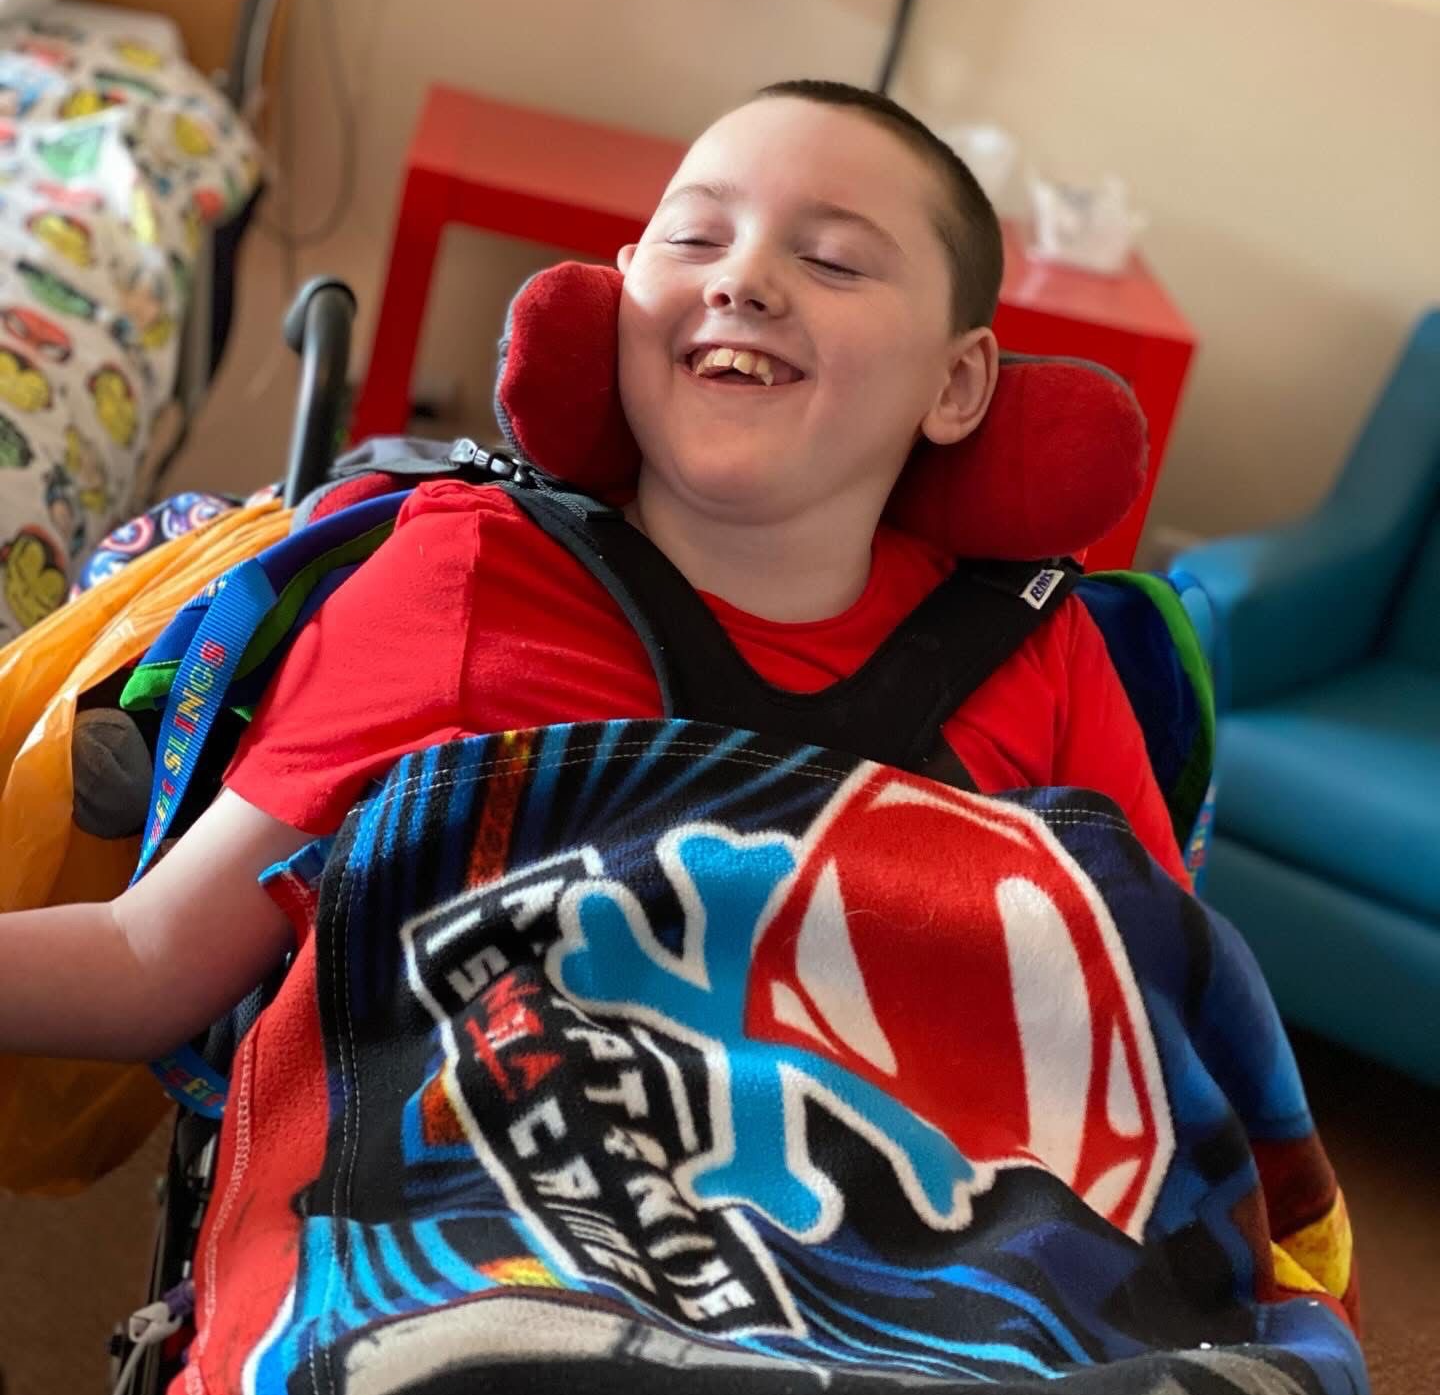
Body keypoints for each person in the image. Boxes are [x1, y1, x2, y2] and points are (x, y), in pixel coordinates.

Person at [0, 79, 1184, 1065]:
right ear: (621, 298)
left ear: (958, 384)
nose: (743, 279)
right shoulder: (470, 576)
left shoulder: (1038, 649)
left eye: (832, 261)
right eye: (695, 238)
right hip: (495, 1223)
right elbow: (147, 960)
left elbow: (1163, 1032)